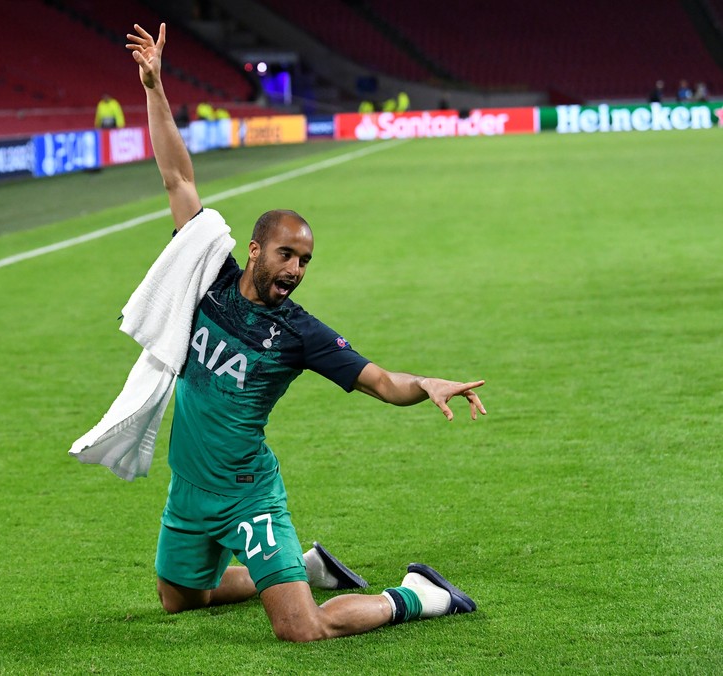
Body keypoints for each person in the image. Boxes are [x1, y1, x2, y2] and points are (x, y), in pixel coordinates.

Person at [125, 23, 486, 642]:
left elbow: (377, 380)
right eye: (288, 255)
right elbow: (178, 180)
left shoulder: (299, 334)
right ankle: (311, 566)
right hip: (189, 488)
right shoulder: (209, 275)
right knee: (180, 600)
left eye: (305, 262)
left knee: (303, 630)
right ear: (257, 248)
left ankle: (417, 596)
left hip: (246, 495)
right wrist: (156, 87)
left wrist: (423, 383)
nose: (295, 270)